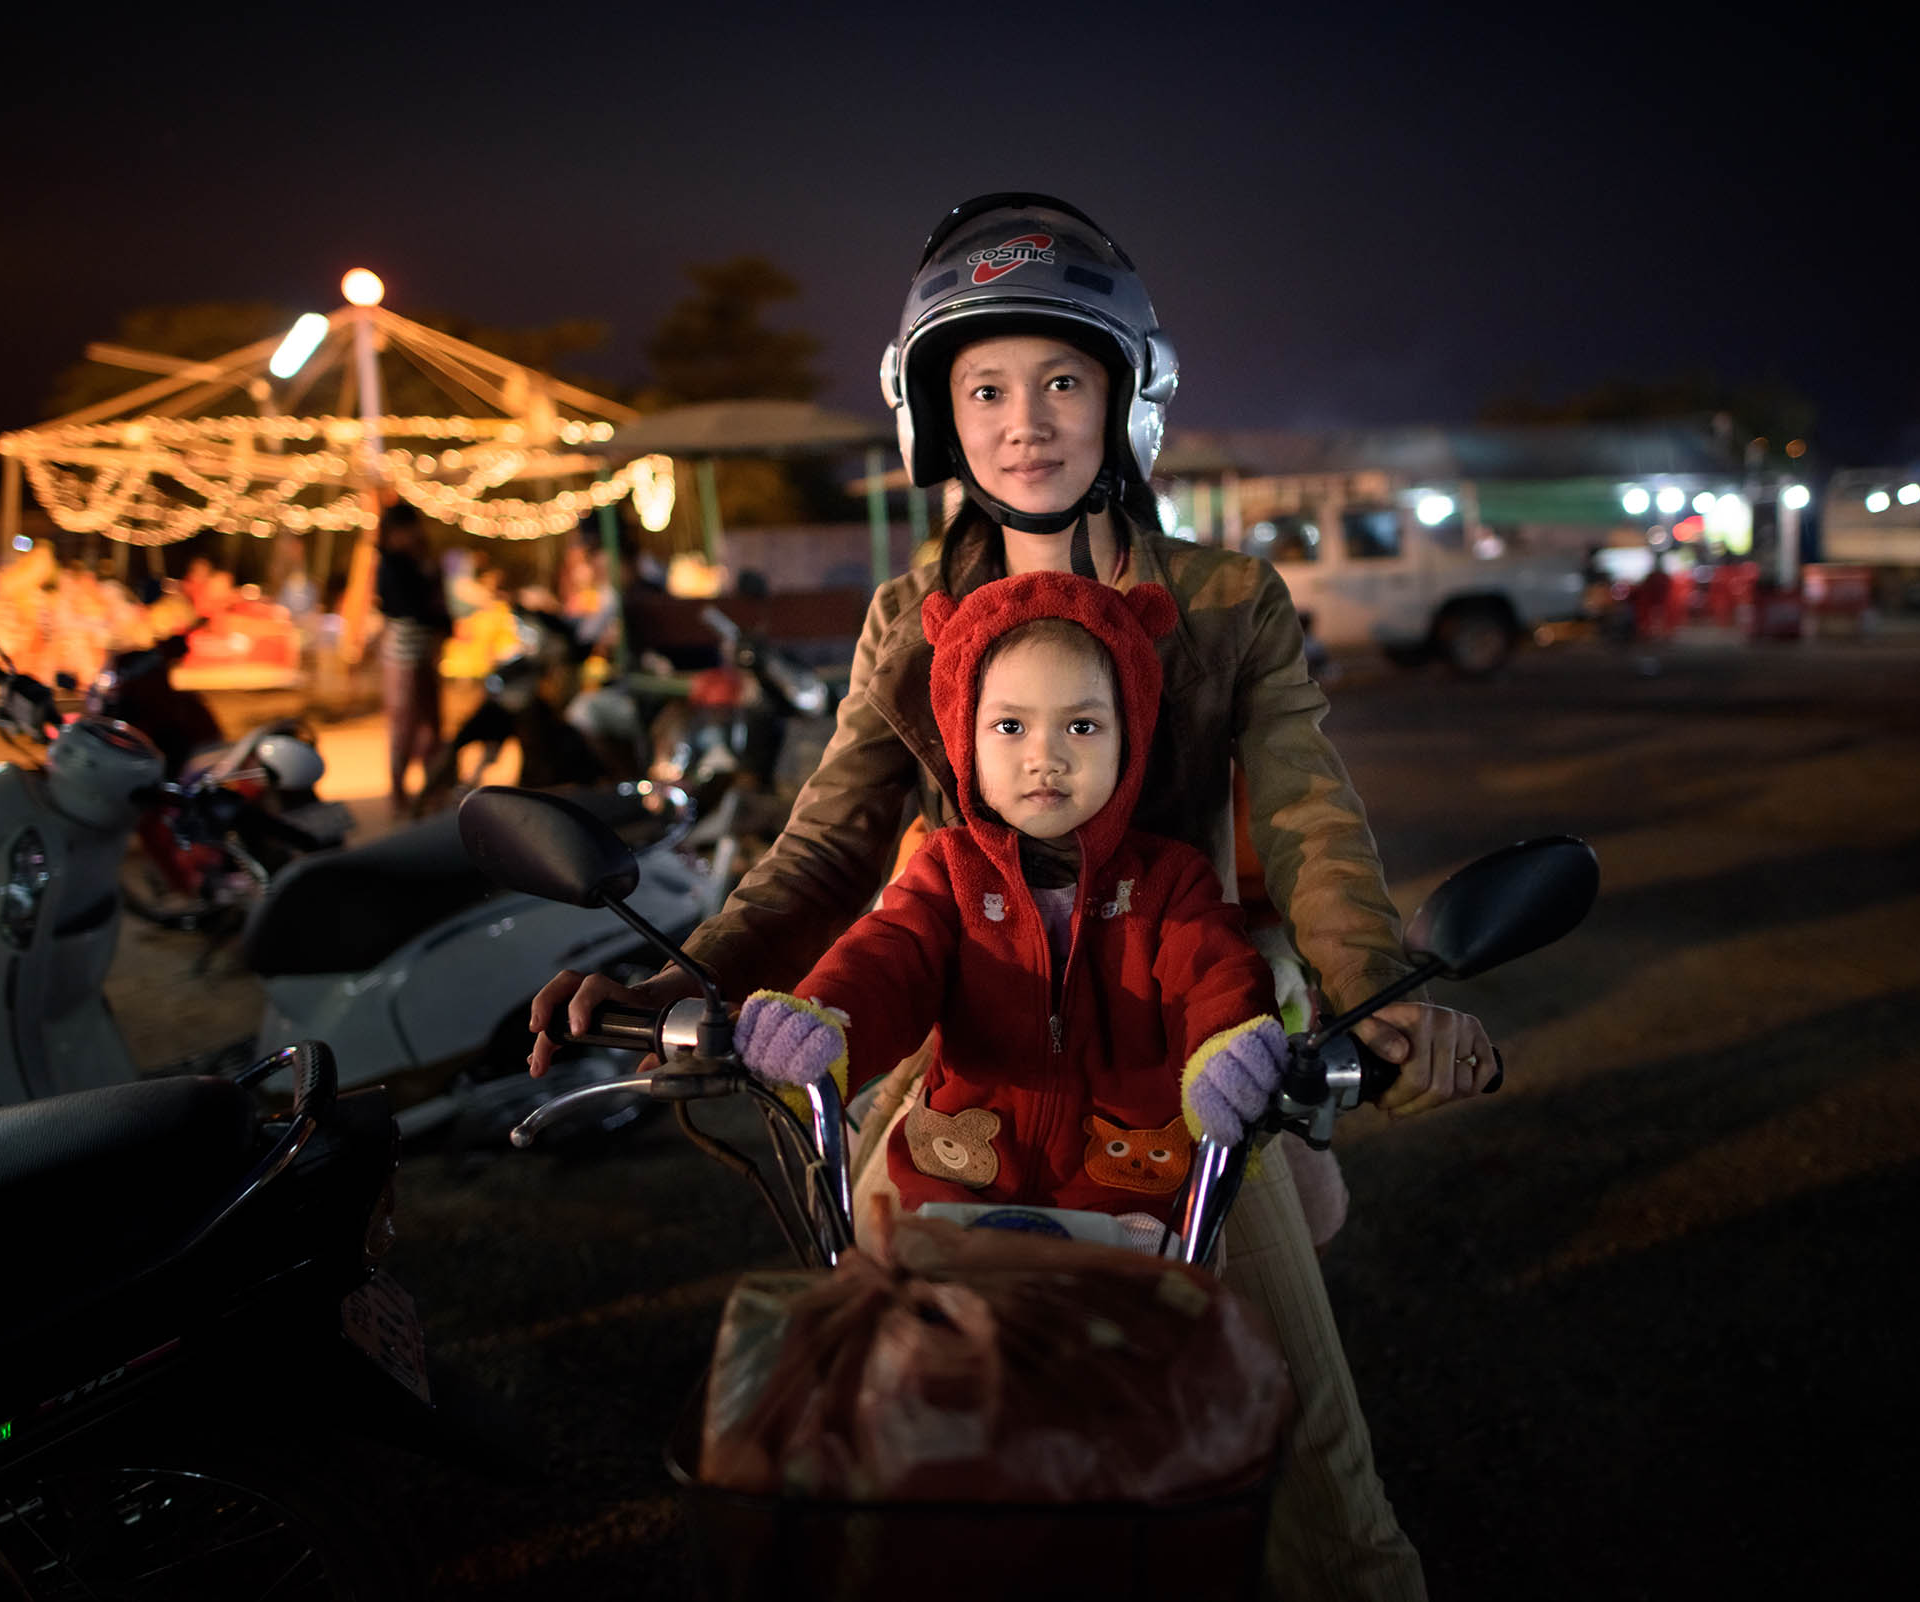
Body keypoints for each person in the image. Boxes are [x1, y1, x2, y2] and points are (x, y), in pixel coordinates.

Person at [530, 193, 1491, 1599]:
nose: (1023, 418)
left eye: (1060, 378)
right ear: (939, 416)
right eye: (984, 386)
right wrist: (693, 977)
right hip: (965, 1044)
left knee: (1312, 1478)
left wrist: (1372, 994)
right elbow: (830, 842)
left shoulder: (1225, 598)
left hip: (1197, 1057)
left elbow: (1305, 820)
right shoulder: (904, 616)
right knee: (849, 1409)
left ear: (1125, 397)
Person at [733, 568, 1287, 1248]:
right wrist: (823, 1026)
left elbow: (1216, 973)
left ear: (1131, 740)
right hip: (955, 1197)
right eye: (1009, 725)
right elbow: (886, 959)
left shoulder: (1172, 880)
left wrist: (1229, 1050)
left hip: (1130, 1210)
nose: (1044, 757)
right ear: (966, 739)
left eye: (1082, 725)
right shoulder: (946, 870)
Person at [372, 501, 451, 818]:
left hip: (426, 648)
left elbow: (440, 607)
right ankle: (399, 793)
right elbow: (404, 606)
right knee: (404, 723)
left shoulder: (424, 560)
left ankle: (432, 791)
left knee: (431, 723)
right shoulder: (390, 564)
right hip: (404, 649)